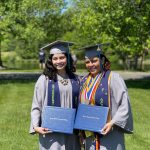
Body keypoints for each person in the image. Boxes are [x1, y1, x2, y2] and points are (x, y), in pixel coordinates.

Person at [79, 44, 133, 150]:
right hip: (90, 135)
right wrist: (81, 131)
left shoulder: (113, 78)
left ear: (102, 60)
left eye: (94, 61)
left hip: (110, 133)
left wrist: (112, 123)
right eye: (87, 62)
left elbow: (124, 104)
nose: (91, 64)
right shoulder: (84, 80)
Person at [29, 41, 81, 150]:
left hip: (72, 131)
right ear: (50, 60)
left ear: (68, 58)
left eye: (62, 58)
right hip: (51, 131)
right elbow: (36, 104)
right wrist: (35, 126)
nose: (58, 61)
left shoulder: (77, 79)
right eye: (55, 58)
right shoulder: (44, 79)